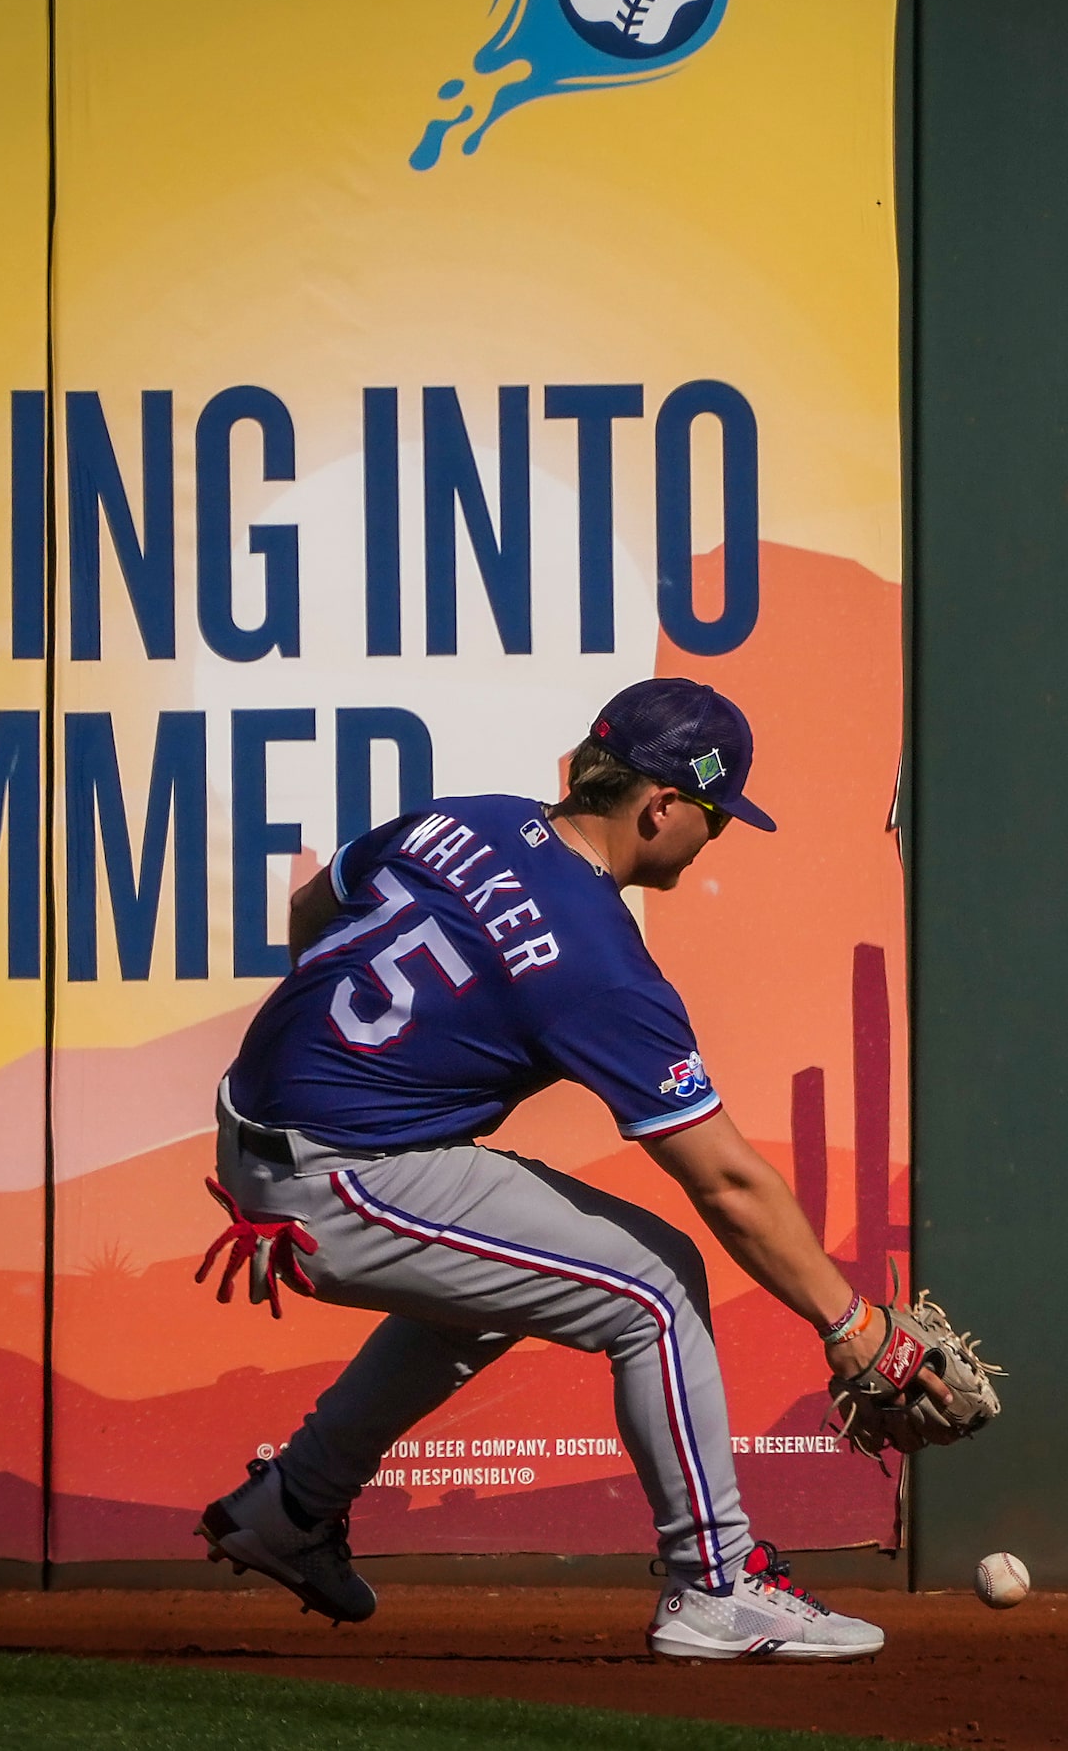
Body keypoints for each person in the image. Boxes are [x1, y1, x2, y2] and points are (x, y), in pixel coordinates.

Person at [193, 677, 939, 1660]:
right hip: (336, 1175)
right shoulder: (597, 960)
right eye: (714, 816)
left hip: (269, 1124)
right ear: (661, 806)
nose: (715, 837)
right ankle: (715, 1584)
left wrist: (332, 1076)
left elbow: (312, 908)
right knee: (655, 1288)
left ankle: (294, 1504)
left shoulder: (465, 821)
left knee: (507, 1285)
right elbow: (725, 1181)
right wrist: (851, 1325)